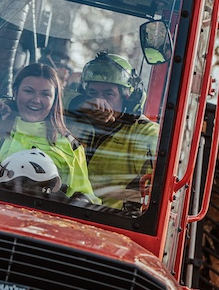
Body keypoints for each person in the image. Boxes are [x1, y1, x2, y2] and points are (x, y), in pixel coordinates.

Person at [0, 63, 97, 202]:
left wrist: (78, 201)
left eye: (45, 94)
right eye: (29, 91)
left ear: (54, 99)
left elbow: (86, 196)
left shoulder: (69, 146)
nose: (36, 100)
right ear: (15, 92)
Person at [67, 52, 159, 212]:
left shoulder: (146, 134)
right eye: (92, 94)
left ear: (128, 98)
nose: (99, 101)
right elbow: (51, 96)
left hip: (113, 225)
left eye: (109, 94)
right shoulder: (75, 124)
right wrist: (80, 104)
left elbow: (159, 194)